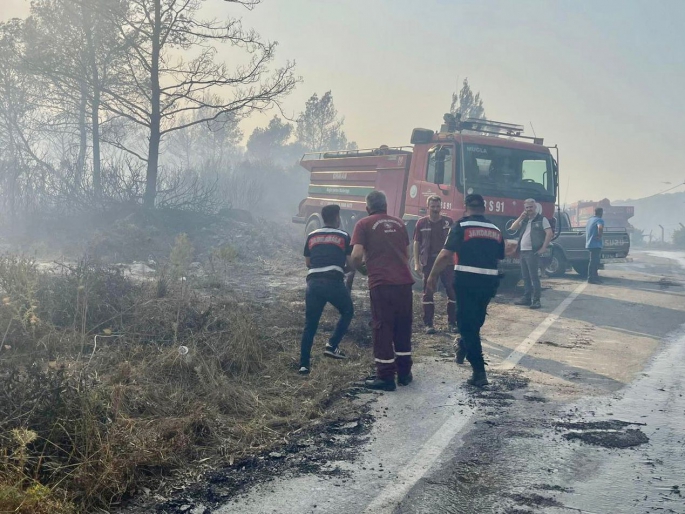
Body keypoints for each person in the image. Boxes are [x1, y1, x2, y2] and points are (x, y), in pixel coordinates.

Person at [426, 194, 505, 387]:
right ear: (484, 208)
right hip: (489, 283)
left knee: (466, 324)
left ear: (466, 207)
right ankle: (462, 345)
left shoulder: (461, 226)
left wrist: (432, 276)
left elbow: (446, 254)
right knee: (475, 321)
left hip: (467, 282)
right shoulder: (495, 229)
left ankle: (479, 372)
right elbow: (502, 255)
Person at [351, 191, 414, 391]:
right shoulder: (399, 223)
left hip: (382, 284)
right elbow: (408, 253)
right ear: (386, 205)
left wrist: (363, 269)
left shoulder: (363, 224)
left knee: (382, 327)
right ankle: (404, 373)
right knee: (403, 326)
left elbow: (356, 256)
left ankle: (386, 376)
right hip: (404, 283)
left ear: (368, 207)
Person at [298, 205, 355, 375]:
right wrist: (340, 269)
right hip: (333, 282)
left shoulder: (311, 235)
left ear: (323, 218)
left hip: (313, 283)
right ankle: (332, 345)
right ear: (337, 217)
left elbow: (308, 263)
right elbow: (352, 264)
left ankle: (304, 365)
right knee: (347, 311)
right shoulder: (344, 235)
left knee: (310, 324)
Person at [413, 195, 456, 333]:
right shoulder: (421, 223)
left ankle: (452, 323)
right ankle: (428, 324)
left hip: (446, 261)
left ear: (441, 207)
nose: (436, 209)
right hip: (429, 261)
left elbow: (455, 243)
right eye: (433, 206)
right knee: (428, 291)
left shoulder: (449, 222)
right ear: (428, 207)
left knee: (452, 290)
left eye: (438, 206)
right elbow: (416, 242)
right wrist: (417, 263)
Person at [509, 198, 553, 309]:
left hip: (532, 252)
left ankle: (536, 300)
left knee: (534, 277)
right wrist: (520, 217)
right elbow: (512, 228)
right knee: (525, 277)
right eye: (527, 207)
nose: (529, 209)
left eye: (531, 207)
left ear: (535, 207)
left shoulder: (541, 219)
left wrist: (543, 248)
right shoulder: (524, 220)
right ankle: (527, 298)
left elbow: (549, 233)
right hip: (522, 251)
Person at [585, 207, 605, 284]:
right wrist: (599, 235)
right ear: (601, 213)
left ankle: (595, 278)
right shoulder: (599, 220)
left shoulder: (590, 220)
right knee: (594, 262)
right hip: (595, 244)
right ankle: (591, 278)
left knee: (594, 262)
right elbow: (600, 227)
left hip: (589, 243)